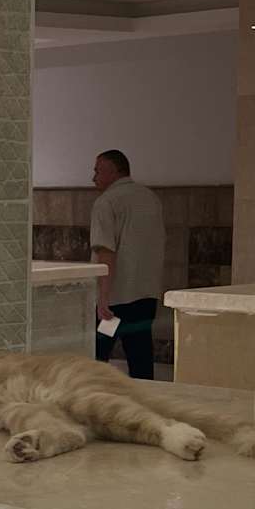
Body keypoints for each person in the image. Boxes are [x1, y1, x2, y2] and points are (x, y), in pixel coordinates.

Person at [88, 148, 167, 379]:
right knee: (140, 358)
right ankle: (144, 399)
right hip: (145, 297)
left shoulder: (106, 202)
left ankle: (91, 398)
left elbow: (106, 252)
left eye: (97, 171)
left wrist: (103, 298)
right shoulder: (150, 198)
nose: (93, 177)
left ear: (112, 171)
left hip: (115, 303)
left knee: (97, 355)